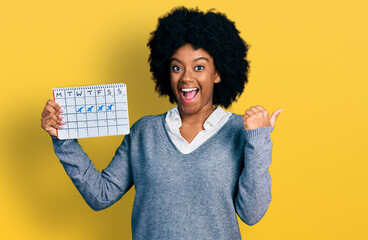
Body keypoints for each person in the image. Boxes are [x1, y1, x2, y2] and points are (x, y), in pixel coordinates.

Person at [41, 7, 283, 240]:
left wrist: (259, 139)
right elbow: (101, 196)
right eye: (177, 67)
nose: (186, 77)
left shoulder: (242, 131)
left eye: (199, 67)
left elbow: (251, 214)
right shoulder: (144, 133)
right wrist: (63, 139)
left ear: (217, 73)